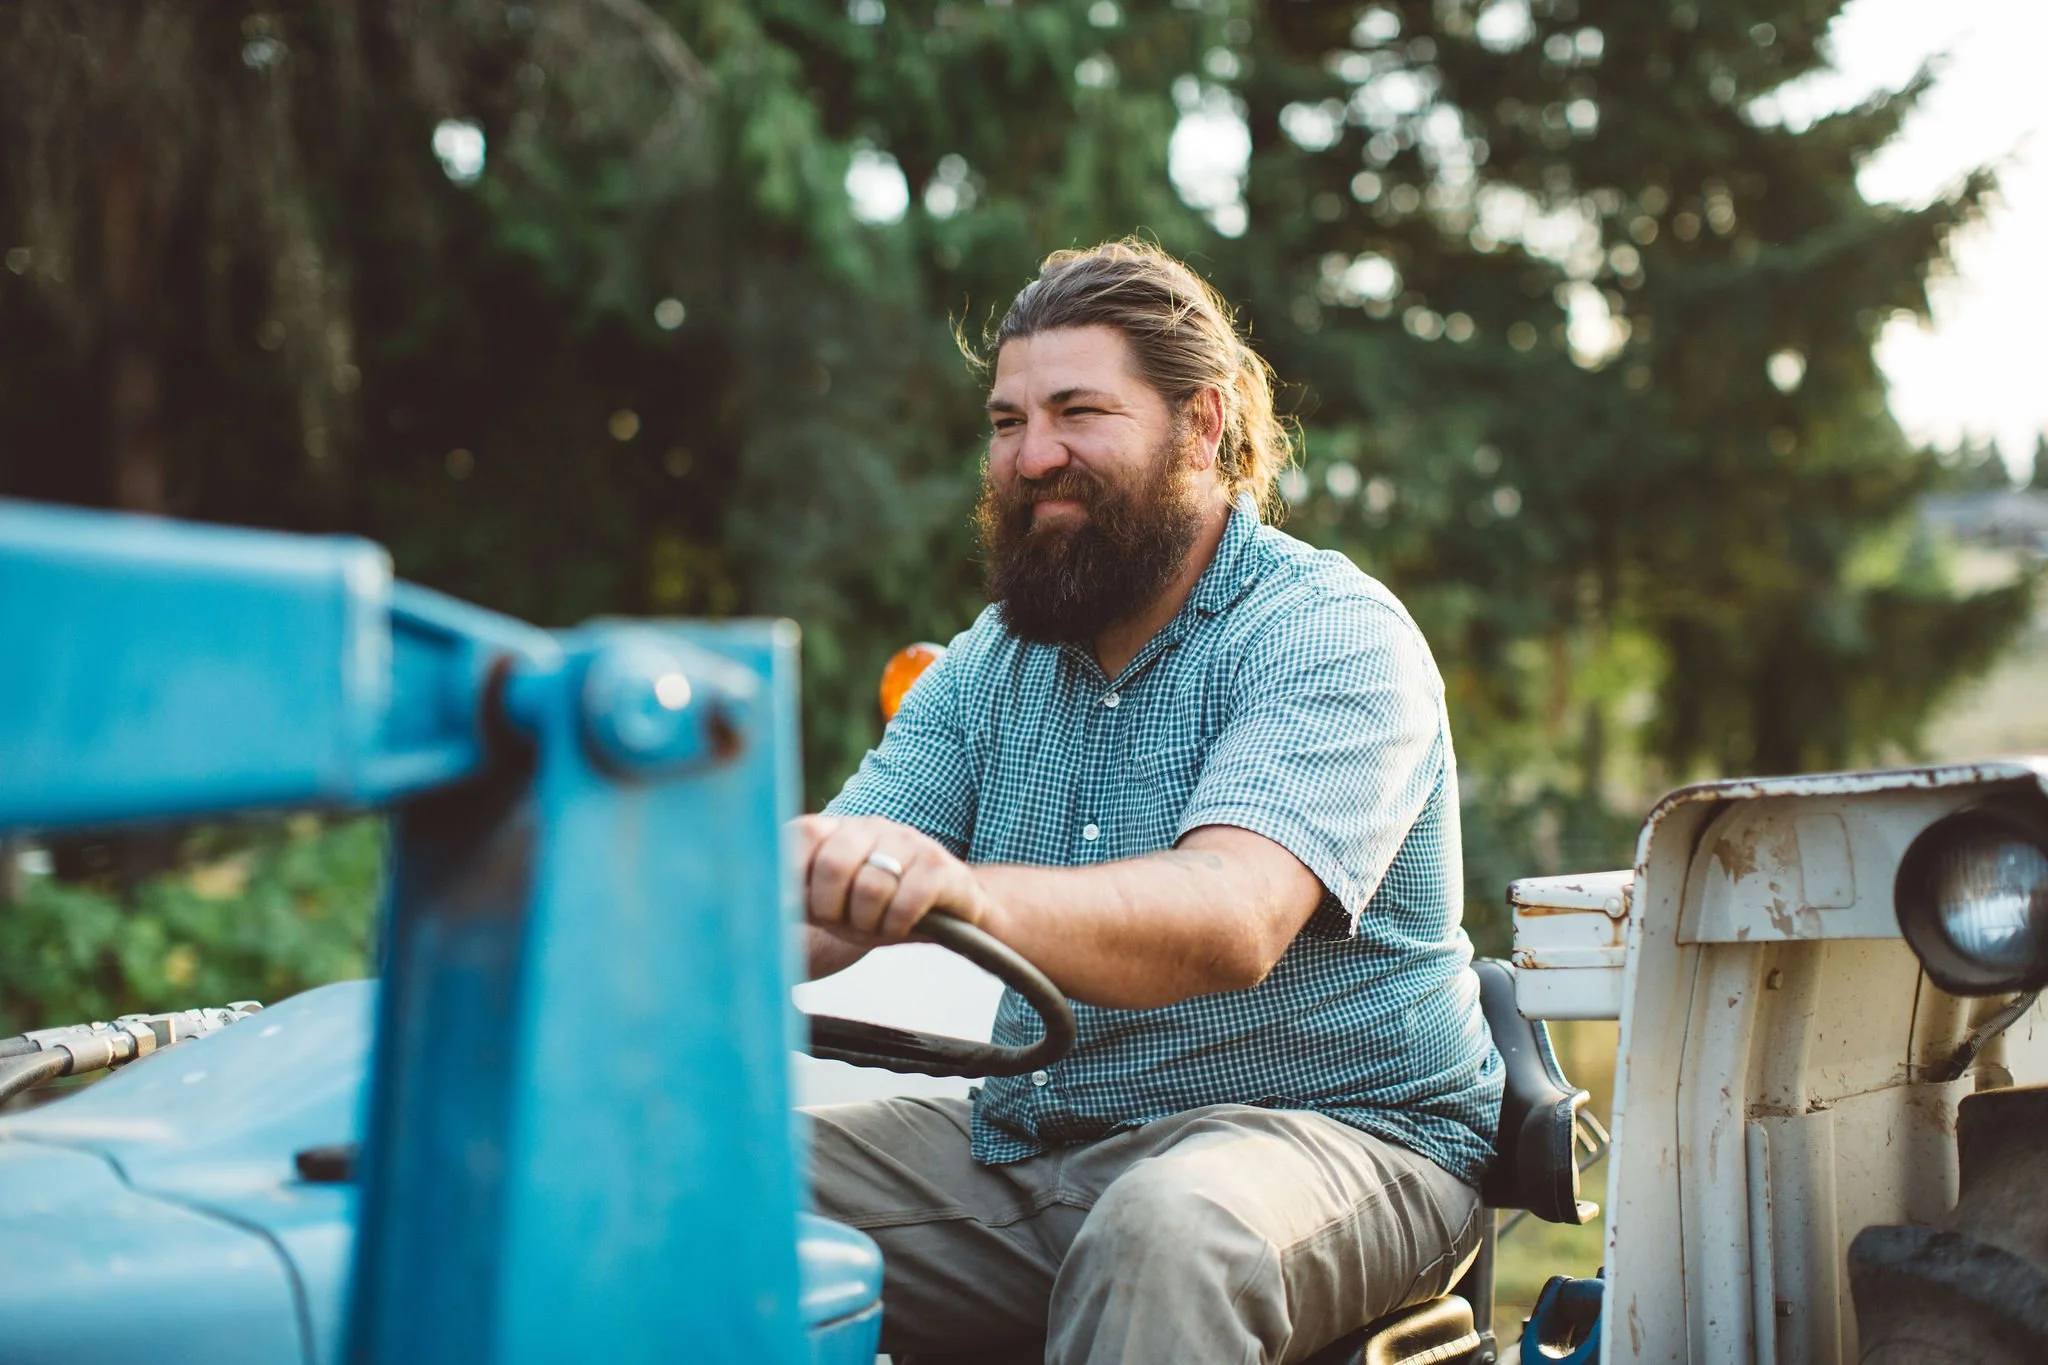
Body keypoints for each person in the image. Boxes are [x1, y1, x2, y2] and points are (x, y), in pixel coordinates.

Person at [794, 240, 1503, 1364]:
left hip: (1346, 1141)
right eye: (1005, 422)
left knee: (1167, 1230)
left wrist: (954, 889)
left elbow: (1227, 919)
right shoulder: (988, 664)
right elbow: (830, 894)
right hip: (1040, 1144)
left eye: (1078, 412)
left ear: (1203, 426)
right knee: (701, 1181)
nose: (1033, 457)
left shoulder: (1326, 632)